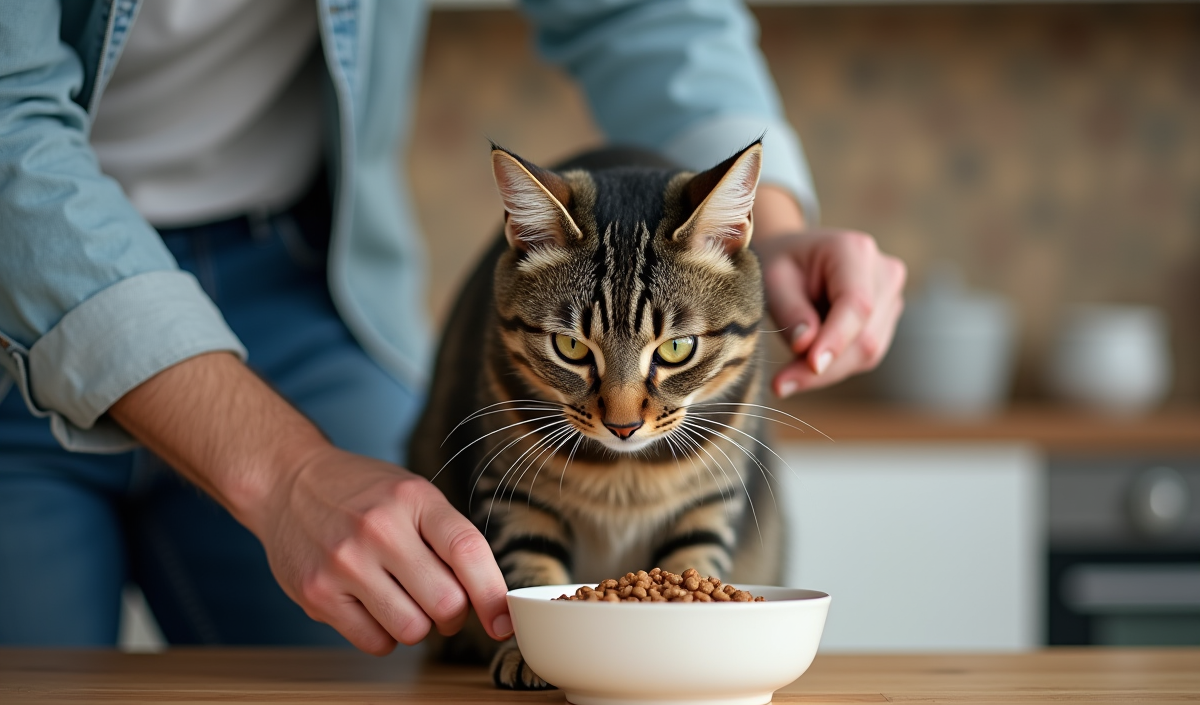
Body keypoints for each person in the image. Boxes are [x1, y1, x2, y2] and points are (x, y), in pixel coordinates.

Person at [0, 1, 905, 652]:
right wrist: (285, 473)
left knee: (389, 688)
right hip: (16, 300)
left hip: (304, 277)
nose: (625, 413)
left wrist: (768, 232)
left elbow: (640, 11)